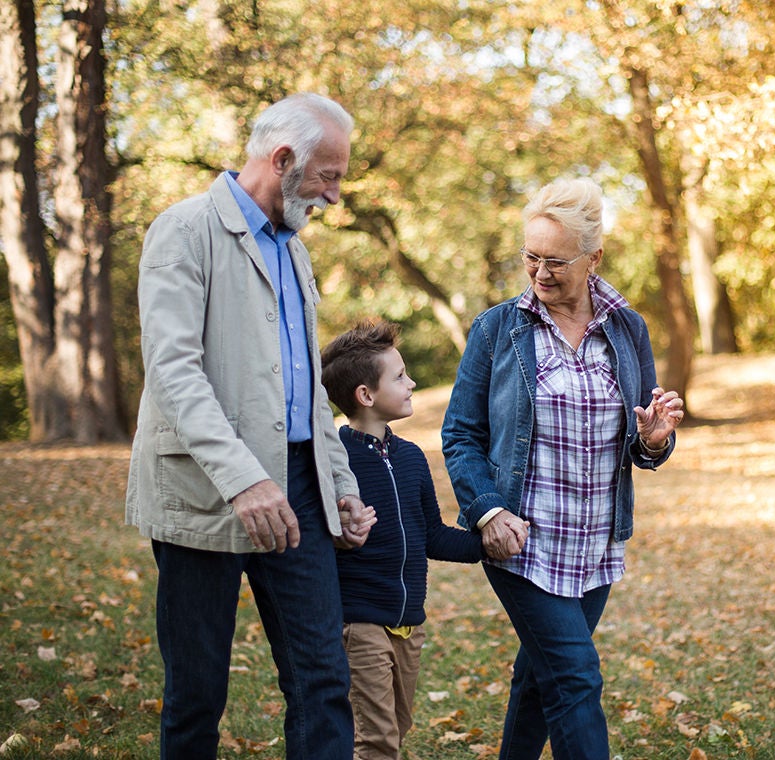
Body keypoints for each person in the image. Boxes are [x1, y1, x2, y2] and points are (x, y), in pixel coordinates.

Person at [125, 92, 377, 760]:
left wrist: (340, 484)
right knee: (197, 691)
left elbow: (305, 390)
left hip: (296, 484)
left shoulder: (294, 249)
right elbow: (174, 372)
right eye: (329, 176)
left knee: (322, 678)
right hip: (206, 488)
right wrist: (244, 481)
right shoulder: (182, 230)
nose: (334, 194)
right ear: (284, 159)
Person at [441, 177, 685, 760]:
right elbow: (460, 433)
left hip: (594, 546)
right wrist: (487, 511)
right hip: (521, 543)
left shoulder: (627, 329)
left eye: (556, 261)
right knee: (575, 677)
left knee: (539, 680)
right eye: (530, 257)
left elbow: (643, 441)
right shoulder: (498, 329)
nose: (540, 273)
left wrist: (651, 440)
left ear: (593, 258)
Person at [320, 321, 526, 760]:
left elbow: (431, 534)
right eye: (399, 376)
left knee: (398, 725)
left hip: (409, 622)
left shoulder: (410, 457)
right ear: (365, 395)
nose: (412, 382)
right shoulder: (335, 459)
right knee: (376, 737)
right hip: (359, 623)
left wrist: (485, 544)